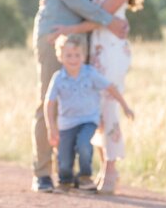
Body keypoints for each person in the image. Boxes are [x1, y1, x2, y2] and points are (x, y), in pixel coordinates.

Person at [31, 0, 128, 193]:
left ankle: (69, 171)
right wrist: (108, 20)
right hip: (54, 35)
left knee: (80, 105)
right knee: (50, 99)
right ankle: (42, 173)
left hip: (84, 40)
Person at [48, 0, 147, 193]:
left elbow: (100, 17)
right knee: (96, 108)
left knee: (109, 107)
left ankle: (111, 171)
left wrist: (66, 31)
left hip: (112, 50)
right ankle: (103, 167)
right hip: (94, 48)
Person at [45, 33, 134, 192]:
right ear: (60, 56)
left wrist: (125, 106)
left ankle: (85, 177)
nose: (73, 59)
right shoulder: (58, 78)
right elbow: (49, 103)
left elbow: (110, 87)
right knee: (64, 158)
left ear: (84, 55)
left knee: (84, 145)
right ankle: (65, 180)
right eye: (69, 55)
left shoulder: (90, 73)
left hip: (88, 120)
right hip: (66, 123)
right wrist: (51, 126)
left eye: (77, 55)